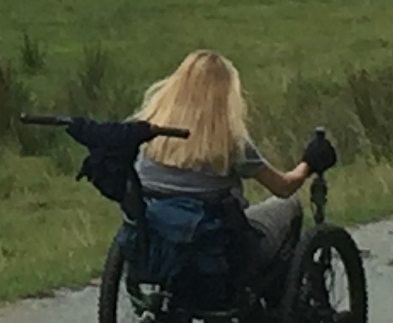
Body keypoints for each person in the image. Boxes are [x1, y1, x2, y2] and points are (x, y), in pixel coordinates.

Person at [132, 49, 334, 299]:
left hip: (157, 240)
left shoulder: (145, 137)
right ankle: (279, 297)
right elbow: (283, 187)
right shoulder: (229, 144)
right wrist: (307, 164)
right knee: (289, 206)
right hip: (221, 248)